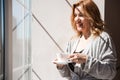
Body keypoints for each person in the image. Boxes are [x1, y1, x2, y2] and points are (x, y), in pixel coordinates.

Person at [53, 0, 117, 80]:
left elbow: (110, 73)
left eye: (81, 15)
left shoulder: (103, 39)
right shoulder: (73, 41)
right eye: (75, 15)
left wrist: (86, 60)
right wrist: (61, 65)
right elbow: (68, 74)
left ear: (92, 16)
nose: (76, 19)